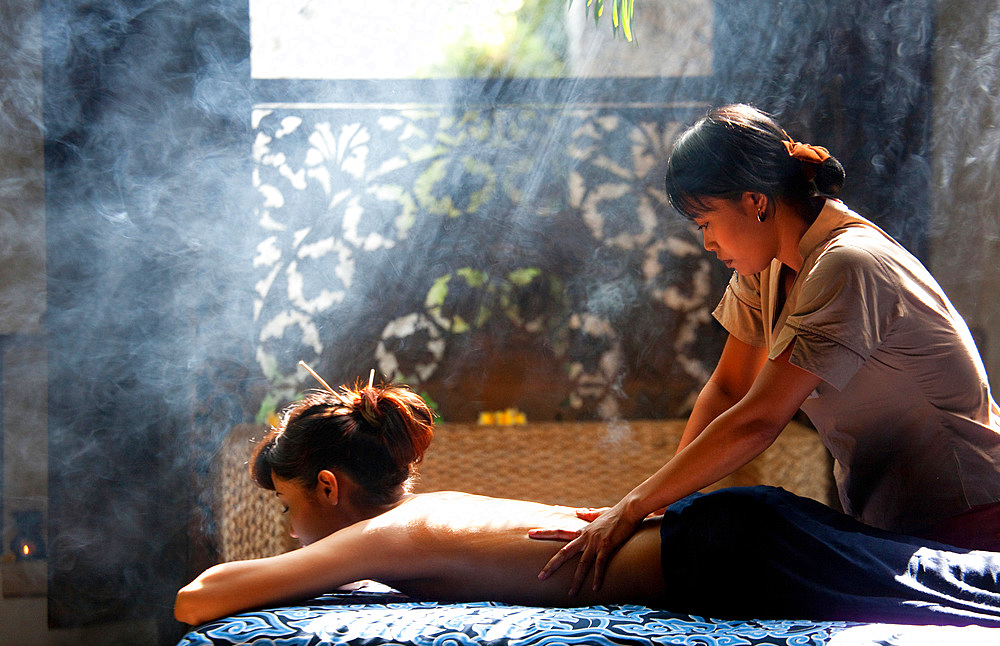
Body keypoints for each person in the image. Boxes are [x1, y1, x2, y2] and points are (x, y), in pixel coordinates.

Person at [533, 103, 1000, 597]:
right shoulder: (767, 269)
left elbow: (758, 419)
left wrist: (631, 509)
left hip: (971, 517)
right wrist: (662, 507)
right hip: (891, 528)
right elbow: (730, 388)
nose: (707, 242)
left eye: (705, 221)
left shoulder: (849, 263)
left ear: (755, 201)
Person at [175, 377, 1000, 627]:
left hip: (728, 549)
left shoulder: (385, 535)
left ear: (327, 485)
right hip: (732, 533)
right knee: (963, 583)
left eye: (288, 507)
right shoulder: (434, 511)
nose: (290, 530)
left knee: (963, 593)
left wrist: (295, 568)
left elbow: (196, 599)